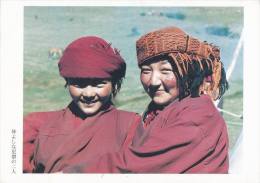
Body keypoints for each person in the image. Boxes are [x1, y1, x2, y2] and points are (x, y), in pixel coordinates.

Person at [64, 26, 229, 173]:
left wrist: (68, 174)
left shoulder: (197, 116)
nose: (153, 81)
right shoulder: (162, 108)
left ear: (188, 70)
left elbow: (133, 167)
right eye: (146, 70)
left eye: (165, 70)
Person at [23, 36, 141, 173]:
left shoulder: (130, 125)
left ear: (114, 84)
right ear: (67, 83)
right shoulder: (36, 124)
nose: (88, 94)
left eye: (99, 84)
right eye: (79, 84)